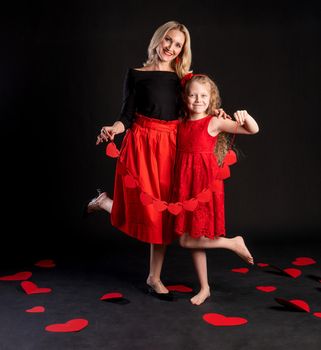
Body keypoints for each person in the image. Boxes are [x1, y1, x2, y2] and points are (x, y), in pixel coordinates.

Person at [86, 21, 225, 300]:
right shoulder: (135, 75)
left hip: (173, 146)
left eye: (178, 45)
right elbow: (126, 115)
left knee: (162, 214)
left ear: (182, 51)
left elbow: (198, 106)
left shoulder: (182, 79)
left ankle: (153, 277)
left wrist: (217, 115)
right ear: (158, 39)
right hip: (142, 144)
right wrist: (114, 129)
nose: (171, 48)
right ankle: (105, 203)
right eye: (168, 41)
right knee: (145, 209)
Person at [172, 74, 259, 305]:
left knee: (188, 240)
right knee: (192, 238)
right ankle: (205, 287)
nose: (197, 100)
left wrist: (246, 117)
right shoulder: (180, 123)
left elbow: (252, 130)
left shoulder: (214, 122)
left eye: (203, 95)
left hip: (203, 188)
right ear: (184, 97)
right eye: (192, 95)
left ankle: (232, 243)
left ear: (211, 98)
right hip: (185, 187)